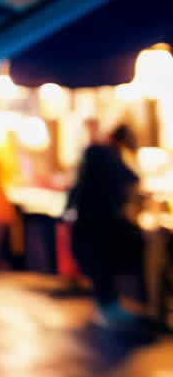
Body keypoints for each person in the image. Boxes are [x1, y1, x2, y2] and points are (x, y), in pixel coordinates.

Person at [66, 124, 147, 332]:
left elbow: (75, 192)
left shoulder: (92, 163)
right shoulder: (110, 158)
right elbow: (133, 179)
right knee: (104, 266)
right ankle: (108, 307)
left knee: (99, 267)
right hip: (105, 223)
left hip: (90, 224)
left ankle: (105, 305)